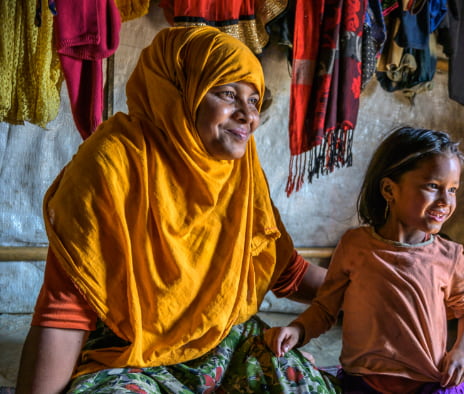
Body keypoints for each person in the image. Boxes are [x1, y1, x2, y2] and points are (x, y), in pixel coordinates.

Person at [16, 26, 340, 393]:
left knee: (301, 384)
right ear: (179, 91)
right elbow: (65, 311)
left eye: (254, 100)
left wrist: (372, 284)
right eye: (228, 94)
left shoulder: (241, 172)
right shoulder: (114, 164)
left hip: (224, 343)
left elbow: (288, 274)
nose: (247, 116)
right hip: (130, 347)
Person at [264, 127, 464, 394]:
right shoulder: (355, 245)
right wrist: (298, 331)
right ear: (389, 189)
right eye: (433, 187)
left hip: (430, 384)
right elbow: (325, 308)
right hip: (364, 383)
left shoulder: (449, 256)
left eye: (452, 190)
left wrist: (462, 351)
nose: (445, 201)